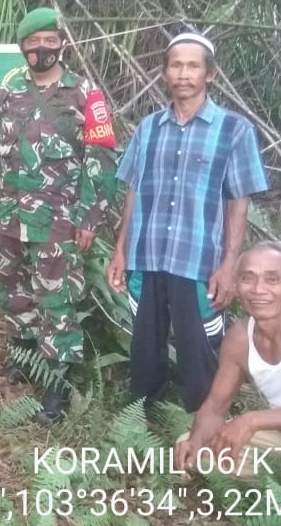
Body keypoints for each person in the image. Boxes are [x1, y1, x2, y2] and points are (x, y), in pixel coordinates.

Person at [107, 31, 269, 413]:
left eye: (193, 65)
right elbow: (132, 191)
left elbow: (237, 203)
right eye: (176, 65)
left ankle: (204, 426)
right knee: (145, 346)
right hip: (147, 257)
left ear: (209, 74)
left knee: (200, 350)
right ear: (164, 73)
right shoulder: (148, 129)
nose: (184, 73)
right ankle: (142, 418)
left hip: (197, 260)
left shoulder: (234, 130)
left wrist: (229, 266)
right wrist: (120, 250)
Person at [0, 7, 117, 422]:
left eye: (49, 40)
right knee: (13, 292)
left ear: (62, 43)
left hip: (58, 223)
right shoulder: (8, 91)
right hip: (9, 217)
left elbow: (101, 159)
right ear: (22, 49)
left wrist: (89, 217)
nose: (41, 49)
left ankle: (56, 388)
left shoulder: (85, 94)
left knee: (57, 300)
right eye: (33, 43)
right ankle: (23, 359)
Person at [174, 242, 281, 526]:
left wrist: (252, 420)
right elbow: (215, 405)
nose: (259, 289)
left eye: (272, 279)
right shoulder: (239, 337)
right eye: (248, 278)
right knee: (194, 448)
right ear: (235, 285)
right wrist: (196, 441)